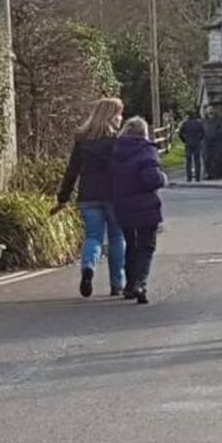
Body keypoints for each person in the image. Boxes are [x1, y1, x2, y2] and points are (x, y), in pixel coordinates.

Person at [52, 97, 126, 298]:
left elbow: (72, 171)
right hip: (114, 196)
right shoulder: (118, 142)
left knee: (93, 237)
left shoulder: (82, 140)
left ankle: (88, 268)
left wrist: (63, 198)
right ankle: (117, 283)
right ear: (112, 116)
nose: (121, 118)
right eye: (119, 114)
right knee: (117, 238)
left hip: (88, 195)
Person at [111, 117, 167, 304]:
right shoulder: (146, 150)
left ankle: (129, 285)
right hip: (146, 206)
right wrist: (162, 178)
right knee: (146, 246)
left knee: (130, 244)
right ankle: (140, 283)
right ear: (144, 132)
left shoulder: (116, 151)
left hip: (122, 205)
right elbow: (152, 178)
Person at [178, 112, 205, 182]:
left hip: (188, 143)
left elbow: (180, 134)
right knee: (197, 160)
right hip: (197, 143)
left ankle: (189, 177)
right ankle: (198, 177)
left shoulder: (185, 124)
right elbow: (203, 133)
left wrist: (184, 140)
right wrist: (199, 139)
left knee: (188, 161)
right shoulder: (198, 123)